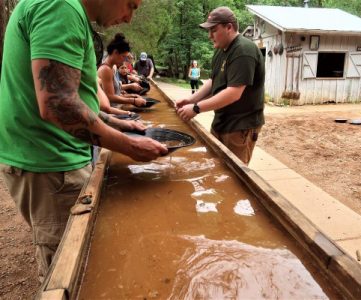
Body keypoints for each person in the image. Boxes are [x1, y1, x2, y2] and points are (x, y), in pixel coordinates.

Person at [0, 0, 168, 281]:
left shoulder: (69, 12)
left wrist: (121, 123)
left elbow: (78, 100)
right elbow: (57, 104)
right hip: (52, 164)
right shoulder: (61, 7)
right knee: (71, 276)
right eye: (131, 5)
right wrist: (130, 145)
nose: (128, 18)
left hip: (53, 160)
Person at [176, 6, 265, 165]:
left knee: (233, 177)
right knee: (214, 169)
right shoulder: (221, 50)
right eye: (209, 31)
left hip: (240, 127)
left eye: (214, 30)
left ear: (229, 27)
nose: (210, 36)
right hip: (221, 121)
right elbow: (213, 80)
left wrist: (197, 108)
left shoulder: (244, 50)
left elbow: (233, 93)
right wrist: (191, 100)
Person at [98, 33, 146, 107]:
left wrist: (132, 96)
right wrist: (133, 101)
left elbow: (116, 93)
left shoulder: (112, 67)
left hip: (116, 108)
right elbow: (110, 97)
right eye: (123, 56)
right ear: (115, 52)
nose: (124, 60)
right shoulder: (106, 69)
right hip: (111, 111)